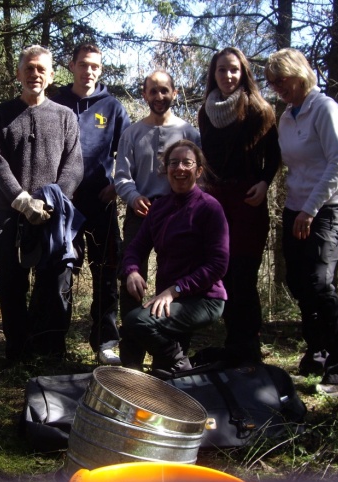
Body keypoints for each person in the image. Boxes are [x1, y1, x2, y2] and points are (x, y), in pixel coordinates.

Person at [265, 48, 338, 396]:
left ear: (299, 73)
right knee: (298, 280)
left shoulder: (326, 109)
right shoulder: (287, 117)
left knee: (319, 281)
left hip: (331, 205)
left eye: (282, 80)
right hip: (297, 206)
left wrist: (310, 210)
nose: (278, 88)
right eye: (273, 83)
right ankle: (317, 352)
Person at [0, 45, 84, 362]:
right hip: (10, 212)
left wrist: (50, 201)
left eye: (41, 69)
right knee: (10, 284)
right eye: (29, 68)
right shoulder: (0, 115)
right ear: (19, 73)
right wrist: (23, 201)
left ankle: (49, 350)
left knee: (54, 283)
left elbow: (74, 166)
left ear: (51, 75)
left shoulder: (65, 116)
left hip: (54, 214)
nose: (35, 74)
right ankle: (17, 351)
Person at [198, 47, 281, 363]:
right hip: (216, 203)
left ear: (243, 72)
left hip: (247, 200)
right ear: (213, 74)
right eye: (221, 69)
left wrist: (265, 182)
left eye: (233, 69)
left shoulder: (259, 109)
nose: (228, 75)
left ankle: (249, 347)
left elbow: (274, 155)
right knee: (223, 273)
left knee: (244, 274)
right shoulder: (206, 112)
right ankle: (234, 345)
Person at [51, 43, 131, 365]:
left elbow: (128, 153)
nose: (89, 71)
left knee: (106, 271)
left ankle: (105, 342)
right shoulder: (55, 101)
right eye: (83, 64)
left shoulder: (112, 108)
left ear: (100, 69)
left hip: (101, 202)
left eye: (95, 66)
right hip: (63, 203)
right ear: (71, 66)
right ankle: (54, 341)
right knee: (59, 271)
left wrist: (117, 185)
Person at [119, 139, 228, 376]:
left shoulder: (209, 208)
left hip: (204, 299)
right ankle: (175, 370)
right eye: (173, 163)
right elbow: (135, 248)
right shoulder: (159, 208)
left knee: (138, 321)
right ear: (166, 170)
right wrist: (132, 271)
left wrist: (175, 290)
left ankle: (182, 365)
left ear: (198, 171)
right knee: (163, 374)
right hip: (170, 300)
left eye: (187, 163)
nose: (180, 168)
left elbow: (218, 265)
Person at [114, 71, 201, 323]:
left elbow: (200, 175)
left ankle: (169, 337)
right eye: (153, 91)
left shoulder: (189, 133)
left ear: (174, 93)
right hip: (140, 211)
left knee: (174, 275)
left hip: (178, 213)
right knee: (131, 273)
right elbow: (121, 176)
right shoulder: (132, 133)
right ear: (144, 95)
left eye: (164, 90)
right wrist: (133, 197)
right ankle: (132, 336)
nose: (159, 96)